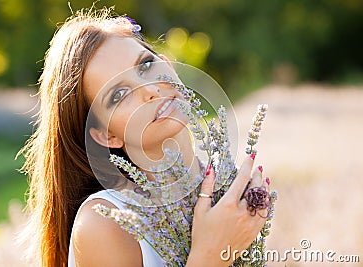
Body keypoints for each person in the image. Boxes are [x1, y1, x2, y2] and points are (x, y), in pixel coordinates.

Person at [20, 7, 270, 267]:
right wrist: (209, 255)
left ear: (168, 64)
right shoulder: (106, 222)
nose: (150, 90)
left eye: (146, 65)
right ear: (106, 135)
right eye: (119, 94)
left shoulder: (227, 191)